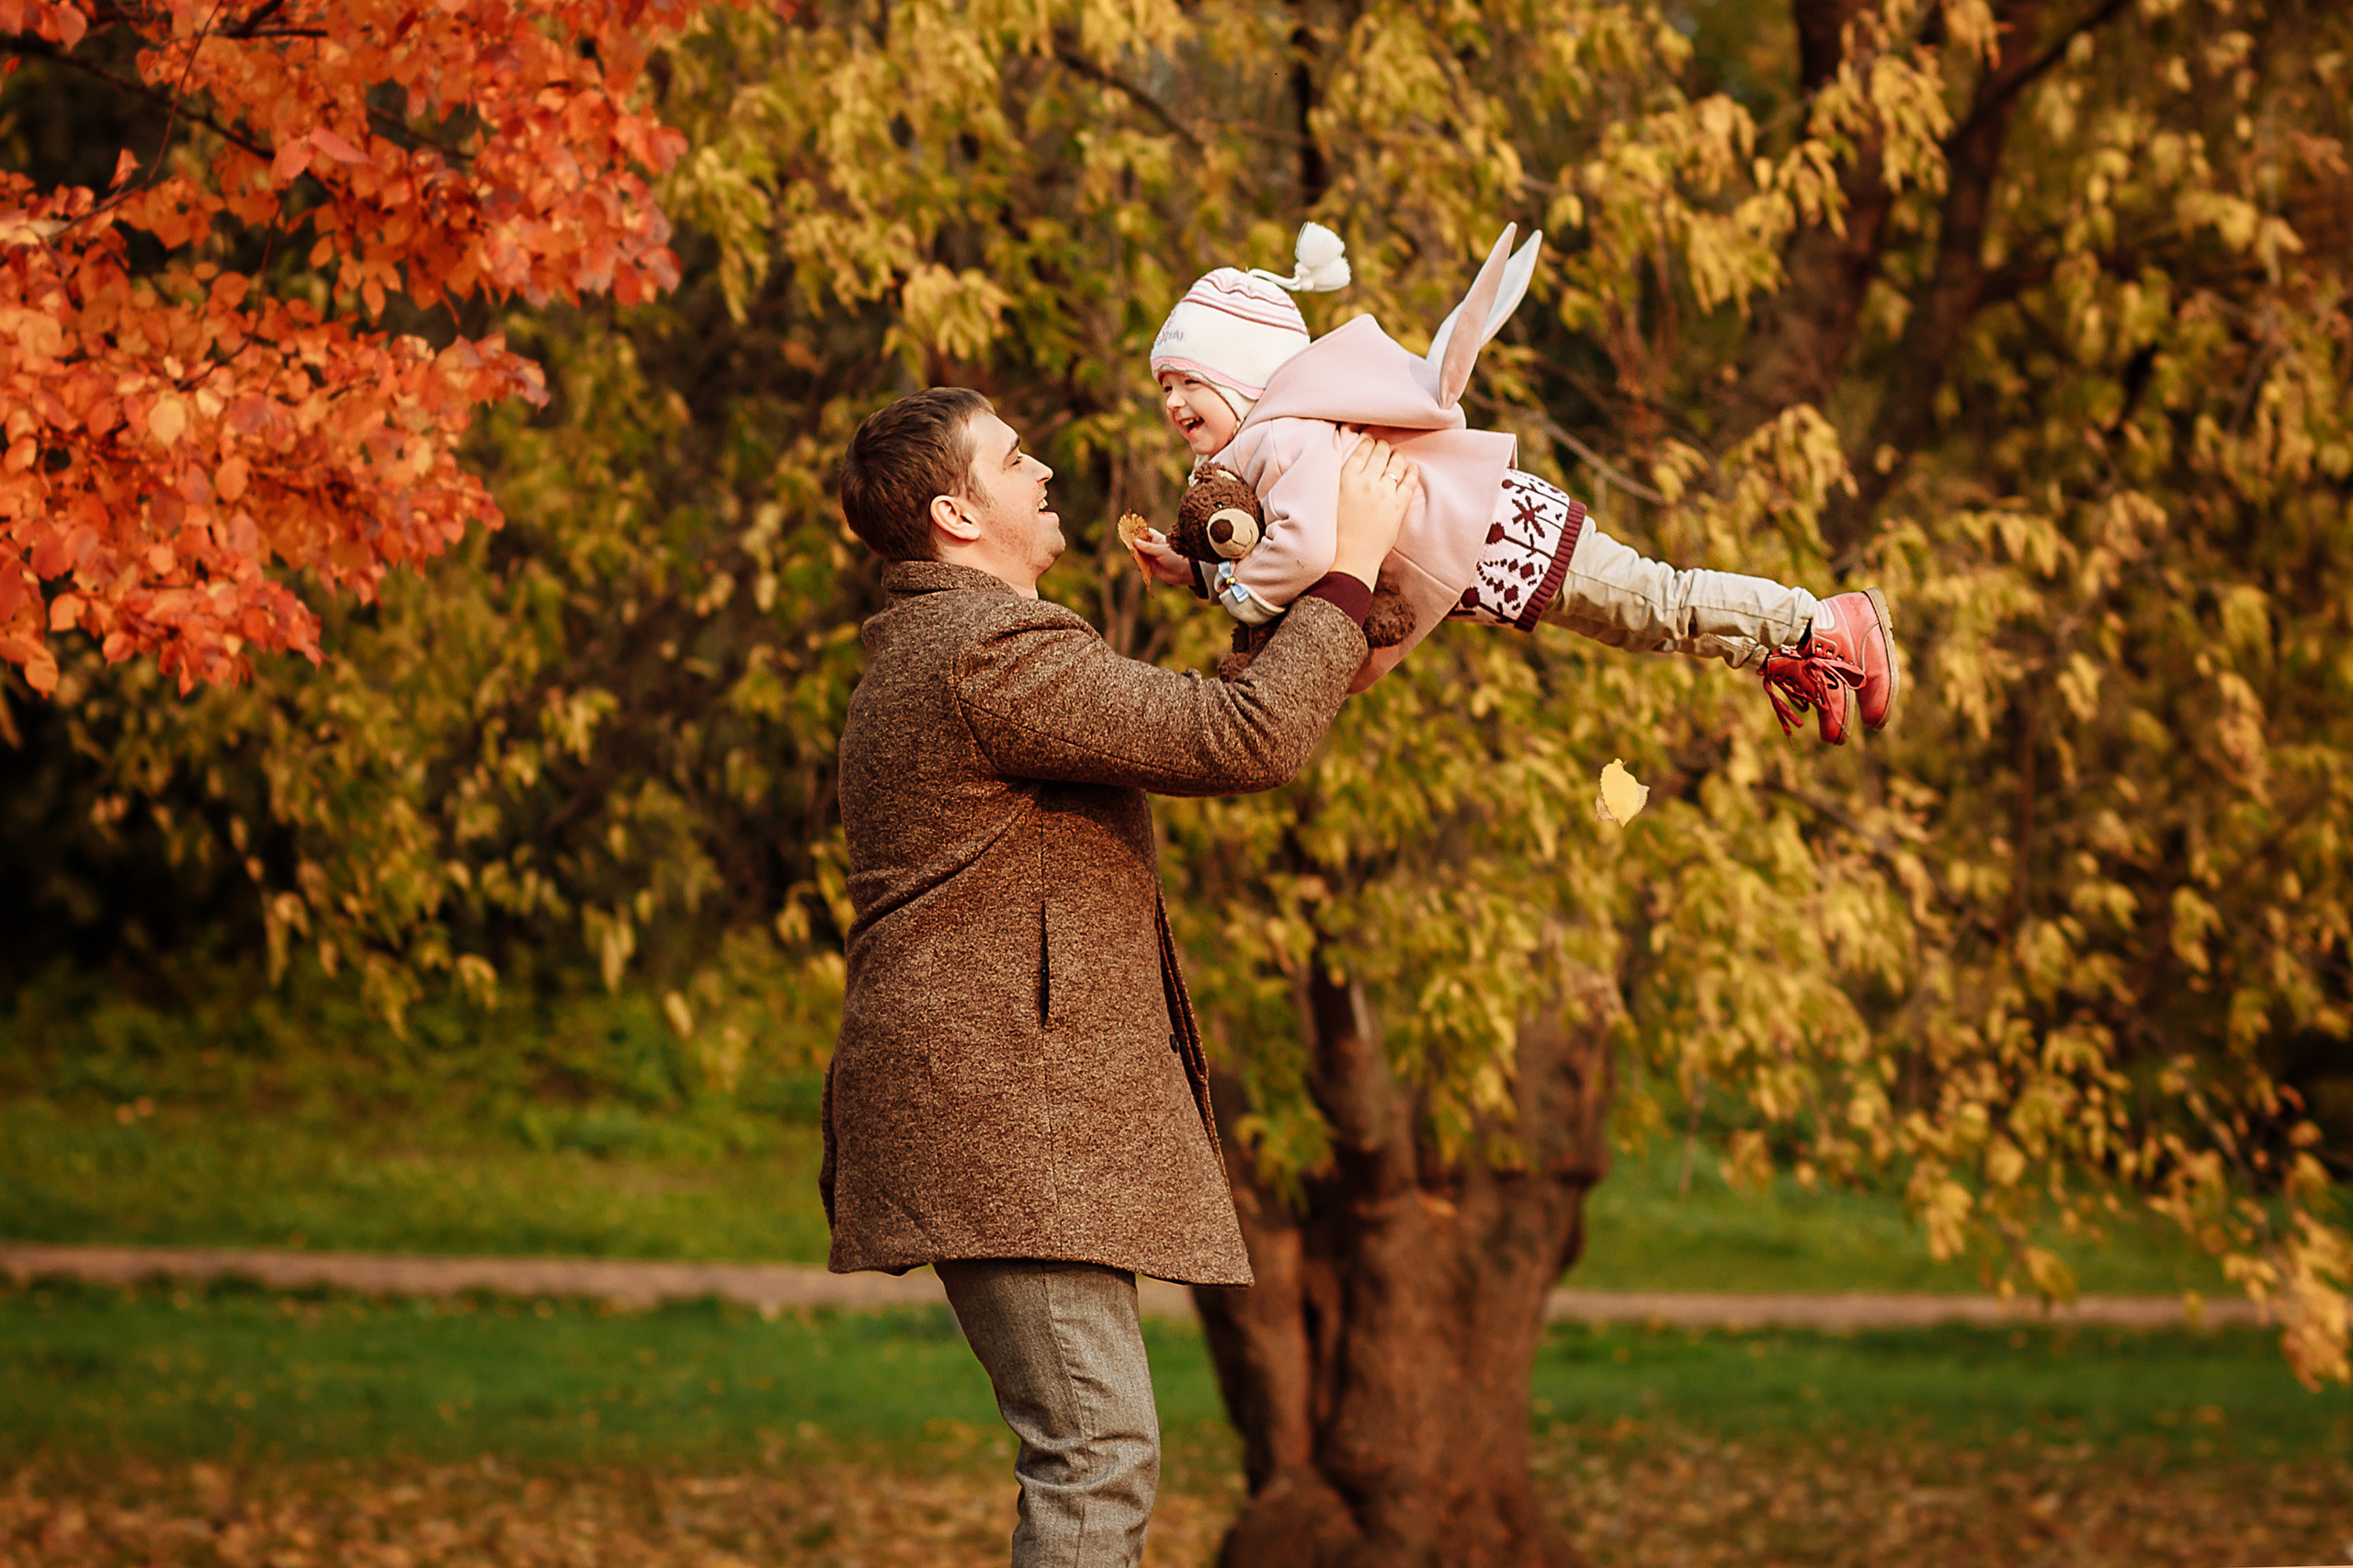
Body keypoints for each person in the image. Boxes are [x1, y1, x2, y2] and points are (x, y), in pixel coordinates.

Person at [820, 386, 1420, 1568]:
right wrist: (1345, 568)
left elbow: (1209, 715)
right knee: (1094, 1450)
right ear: (954, 513)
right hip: (1002, 1114)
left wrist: (1327, 620)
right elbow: (1242, 737)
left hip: (991, 1109)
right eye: (1013, 458)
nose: (1043, 470)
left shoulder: (959, 650)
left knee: (1093, 1445)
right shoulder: (985, 651)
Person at [1133, 222, 1901, 744]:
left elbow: (1300, 550)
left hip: (1507, 541)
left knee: (1654, 605)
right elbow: (1280, 542)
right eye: (1164, 386)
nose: (1173, 403)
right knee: (1642, 619)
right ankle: (1788, 650)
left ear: (1245, 376)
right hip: (1495, 553)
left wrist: (1237, 595)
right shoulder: (1271, 440)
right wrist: (1194, 569)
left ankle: (1823, 623)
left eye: (1191, 381)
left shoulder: (1280, 435)